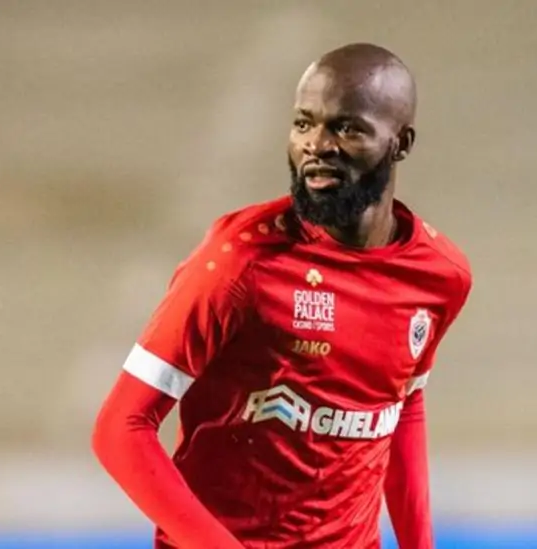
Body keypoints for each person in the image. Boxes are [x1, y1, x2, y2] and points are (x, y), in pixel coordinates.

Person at [92, 42, 473, 549]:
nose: (317, 144)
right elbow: (120, 428)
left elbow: (402, 405)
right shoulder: (238, 262)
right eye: (303, 124)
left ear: (399, 143)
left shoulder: (440, 275)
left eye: (347, 128)